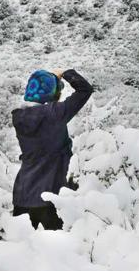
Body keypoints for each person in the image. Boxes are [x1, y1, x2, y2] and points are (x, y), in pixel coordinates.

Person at [10, 68, 94, 230]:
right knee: (56, 251)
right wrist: (65, 73)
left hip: (23, 195)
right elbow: (85, 90)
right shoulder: (54, 114)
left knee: (20, 249)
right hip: (52, 196)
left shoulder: (19, 117)